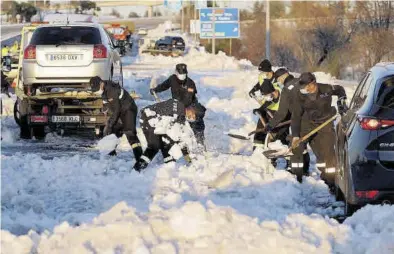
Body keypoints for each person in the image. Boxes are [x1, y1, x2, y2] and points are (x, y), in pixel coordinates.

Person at [290, 72, 347, 185]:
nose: (303, 89)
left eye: (305, 86)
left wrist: (342, 101)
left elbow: (340, 89)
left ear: (313, 83)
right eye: (302, 86)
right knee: (297, 147)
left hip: (325, 122)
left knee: (328, 152)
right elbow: (296, 116)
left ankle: (331, 181)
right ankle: (297, 177)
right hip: (307, 123)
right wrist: (295, 135)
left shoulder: (326, 89)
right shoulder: (299, 95)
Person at [264, 68, 310, 172]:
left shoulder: (286, 90)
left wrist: (270, 125)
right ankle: (307, 169)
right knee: (306, 146)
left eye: (279, 80)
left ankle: (297, 172)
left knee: (297, 146)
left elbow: (281, 113)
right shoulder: (302, 81)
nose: (279, 83)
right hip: (315, 119)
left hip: (300, 121)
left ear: (283, 76)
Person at [150, 63, 206, 147]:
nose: (182, 76)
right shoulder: (172, 79)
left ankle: (200, 143)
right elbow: (164, 86)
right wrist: (155, 90)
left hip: (190, 106)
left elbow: (188, 99)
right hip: (177, 105)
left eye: (184, 74)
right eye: (180, 74)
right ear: (176, 73)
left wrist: (181, 110)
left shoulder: (190, 83)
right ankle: (177, 144)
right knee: (175, 124)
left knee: (196, 123)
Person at [133, 99, 195, 172]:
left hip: (155, 121)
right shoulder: (180, 114)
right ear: (190, 110)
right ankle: (138, 168)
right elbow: (178, 136)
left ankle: (169, 165)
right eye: (192, 116)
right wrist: (188, 157)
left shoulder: (179, 107)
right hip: (149, 120)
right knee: (154, 146)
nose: (191, 118)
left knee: (165, 142)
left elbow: (177, 134)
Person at [89, 76, 142, 160]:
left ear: (101, 83)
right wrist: (105, 110)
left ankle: (140, 159)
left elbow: (116, 110)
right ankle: (111, 158)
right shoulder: (103, 90)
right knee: (109, 132)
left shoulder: (111, 90)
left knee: (129, 133)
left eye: (96, 89)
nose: (96, 91)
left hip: (128, 109)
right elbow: (107, 103)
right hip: (120, 110)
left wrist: (110, 123)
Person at [248, 59, 275, 149]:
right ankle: (258, 146)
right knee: (261, 123)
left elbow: (275, 97)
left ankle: (273, 146)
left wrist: (262, 108)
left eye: (263, 71)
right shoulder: (262, 77)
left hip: (276, 107)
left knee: (273, 128)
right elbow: (260, 84)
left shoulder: (275, 81)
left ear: (268, 71)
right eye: (261, 71)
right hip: (266, 105)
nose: (261, 73)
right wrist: (254, 89)